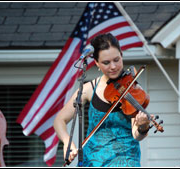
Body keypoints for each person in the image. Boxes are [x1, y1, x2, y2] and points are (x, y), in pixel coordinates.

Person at [53, 33, 152, 167]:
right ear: (97, 63)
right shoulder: (88, 89)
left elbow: (137, 135)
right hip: (93, 162)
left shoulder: (133, 88)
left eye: (116, 60)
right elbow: (59, 120)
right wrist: (67, 141)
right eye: (106, 62)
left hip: (125, 161)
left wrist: (143, 127)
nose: (113, 66)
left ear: (121, 56)